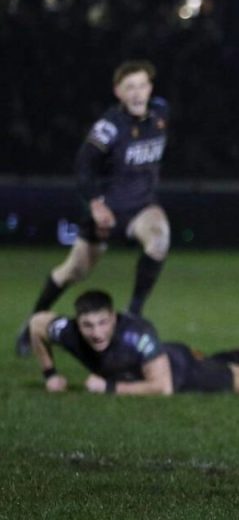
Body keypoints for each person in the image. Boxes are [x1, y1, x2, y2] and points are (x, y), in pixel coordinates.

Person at [16, 60, 171, 356]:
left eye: (142, 86)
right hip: (107, 211)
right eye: (130, 88)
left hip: (141, 207)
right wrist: (96, 204)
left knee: (159, 238)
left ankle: (134, 313)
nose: (138, 93)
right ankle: (33, 323)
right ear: (118, 92)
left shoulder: (161, 113)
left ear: (150, 88)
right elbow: (83, 168)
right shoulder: (109, 127)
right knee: (73, 271)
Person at [28, 289, 239, 396]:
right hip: (175, 358)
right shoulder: (68, 331)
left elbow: (162, 387)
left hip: (180, 373)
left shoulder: (138, 334)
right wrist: (49, 374)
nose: (96, 332)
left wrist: (108, 387)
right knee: (218, 362)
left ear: (114, 319)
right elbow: (36, 324)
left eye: (103, 323)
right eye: (88, 325)